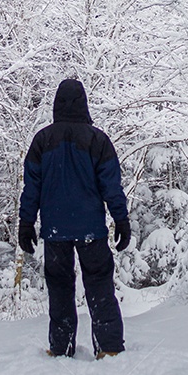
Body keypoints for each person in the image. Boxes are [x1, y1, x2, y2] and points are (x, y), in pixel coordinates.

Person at [18, 78, 131, 359]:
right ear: (84, 104)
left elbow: (31, 188)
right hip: (91, 229)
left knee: (59, 288)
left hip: (55, 230)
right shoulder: (97, 140)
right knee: (100, 286)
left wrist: (26, 223)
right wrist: (121, 219)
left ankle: (61, 347)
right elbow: (111, 186)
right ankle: (109, 347)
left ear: (57, 104)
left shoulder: (42, 141)